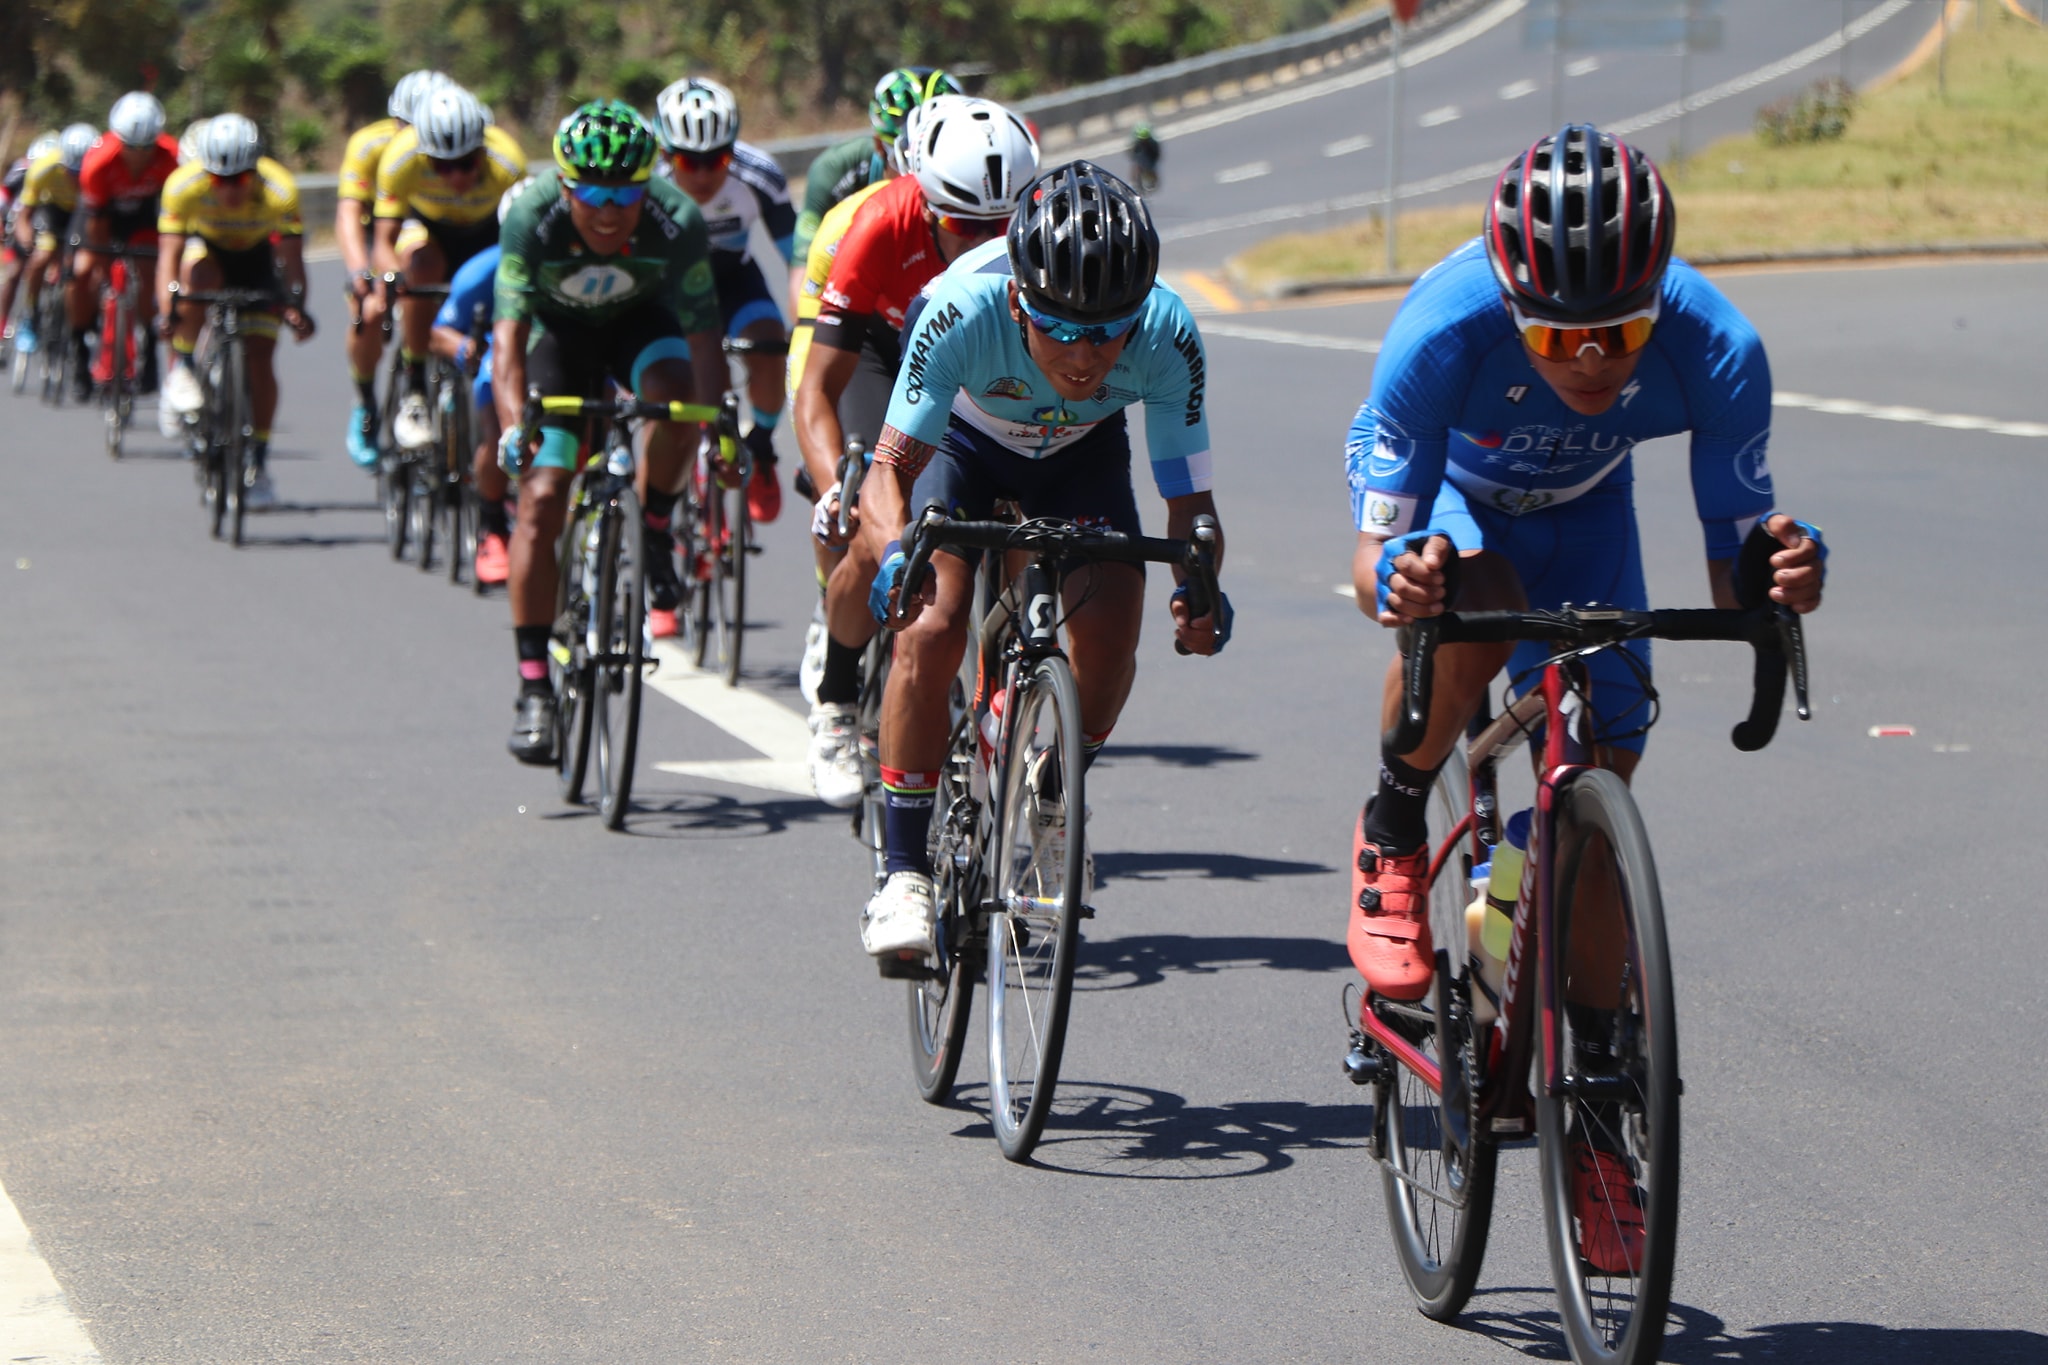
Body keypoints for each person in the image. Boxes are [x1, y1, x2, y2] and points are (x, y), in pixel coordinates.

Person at [1344, 124, 1826, 1273]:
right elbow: (1371, 574)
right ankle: (1393, 827)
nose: (1593, 361)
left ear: (1655, 300)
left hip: (1587, 519)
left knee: (1599, 793)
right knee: (1481, 597)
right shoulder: (1438, 331)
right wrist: (1405, 577)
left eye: (1619, 333)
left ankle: (1599, 1100)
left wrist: (1781, 577)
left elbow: (1735, 562)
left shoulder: (1717, 346)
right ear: (1512, 308)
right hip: (1454, 509)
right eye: (1558, 335)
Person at [853, 161, 1232, 959]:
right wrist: (894, 554)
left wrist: (1200, 586)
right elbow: (888, 470)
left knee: (1110, 632)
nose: (1087, 356)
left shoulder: (1166, 335)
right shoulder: (960, 310)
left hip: (1079, 454)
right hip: (964, 442)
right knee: (932, 623)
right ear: (1019, 299)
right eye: (1060, 328)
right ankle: (902, 872)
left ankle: (1055, 792)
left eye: (1108, 328)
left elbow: (1190, 507)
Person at [793, 95, 1039, 810]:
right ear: (926, 204)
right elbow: (816, 385)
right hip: (883, 353)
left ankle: (1002, 696)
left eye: (1001, 226)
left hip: (978, 361)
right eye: (964, 226)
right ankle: (838, 699)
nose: (984, 242)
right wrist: (837, 488)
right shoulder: (874, 226)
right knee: (877, 529)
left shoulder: (1035, 230)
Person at [491, 101, 727, 763]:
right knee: (542, 496)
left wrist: (719, 425)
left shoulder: (675, 219)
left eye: (626, 192)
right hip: (555, 341)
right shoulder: (530, 217)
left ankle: (652, 527)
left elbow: (704, 335)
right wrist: (515, 425)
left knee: (677, 404)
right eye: (591, 192)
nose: (608, 208)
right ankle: (534, 684)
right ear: (564, 186)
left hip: (637, 328)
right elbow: (506, 339)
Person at [653, 75, 796, 542]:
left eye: (715, 159)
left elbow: (798, 259)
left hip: (734, 280)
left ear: (732, 150)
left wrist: (811, 322)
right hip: (669, 292)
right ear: (664, 154)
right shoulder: (647, 185)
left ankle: (762, 450)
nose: (700, 173)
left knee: (770, 342)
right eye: (685, 160)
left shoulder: (761, 177)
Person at [156, 114, 316, 507]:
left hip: (257, 261)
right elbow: (168, 258)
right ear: (205, 173)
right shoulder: (183, 187)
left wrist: (296, 305)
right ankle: (187, 369)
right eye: (219, 181)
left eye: (239, 180)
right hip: (209, 253)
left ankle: (257, 463)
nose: (229, 191)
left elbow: (292, 261)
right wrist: (167, 311)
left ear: (254, 172)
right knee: (194, 276)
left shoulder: (279, 188)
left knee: (261, 357)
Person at [372, 84, 525, 453]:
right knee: (421, 265)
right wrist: (393, 278)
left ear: (483, 151)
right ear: (424, 155)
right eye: (441, 166)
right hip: (430, 230)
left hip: (488, 233)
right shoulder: (399, 160)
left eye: (467, 163)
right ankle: (414, 389)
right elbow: (383, 241)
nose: (456, 177)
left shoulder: (508, 164)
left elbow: (523, 245)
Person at [336, 68, 450, 465]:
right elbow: (350, 212)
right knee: (369, 312)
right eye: (411, 128)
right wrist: (359, 273)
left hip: (427, 233)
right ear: (396, 122)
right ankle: (366, 401)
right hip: (381, 233)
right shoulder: (370, 146)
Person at [789, 65, 962, 314]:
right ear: (880, 146)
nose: (921, 173)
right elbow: (804, 274)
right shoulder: (834, 169)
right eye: (907, 155)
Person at [426, 177, 529, 587]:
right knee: (496, 430)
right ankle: (492, 525)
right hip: (497, 357)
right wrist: (462, 347)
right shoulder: (480, 273)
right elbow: (438, 332)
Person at [70, 93, 181, 407]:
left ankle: (147, 346)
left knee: (148, 272)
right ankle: (79, 346)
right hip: (102, 215)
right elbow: (95, 222)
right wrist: (101, 265)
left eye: (147, 147)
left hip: (143, 216)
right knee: (82, 273)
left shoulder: (171, 156)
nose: (139, 154)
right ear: (118, 139)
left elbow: (177, 209)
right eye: (131, 146)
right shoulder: (97, 163)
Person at [14, 123, 98, 395]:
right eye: (70, 171)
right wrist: (27, 239)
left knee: (87, 269)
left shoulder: (98, 172)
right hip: (54, 215)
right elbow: (24, 216)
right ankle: (31, 313)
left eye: (80, 172)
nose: (74, 177)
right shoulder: (44, 168)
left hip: (85, 214)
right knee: (41, 257)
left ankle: (85, 321)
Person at [0, 131, 59, 352]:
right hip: (21, 225)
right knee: (15, 272)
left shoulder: (62, 178)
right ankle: (3, 323)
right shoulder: (21, 171)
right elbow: (3, 200)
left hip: (49, 227)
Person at [1129, 122, 1161, 191]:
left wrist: (1153, 162)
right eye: (1142, 140)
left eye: (1145, 139)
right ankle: (1133, 183)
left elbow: (1157, 154)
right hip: (1140, 158)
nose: (1144, 141)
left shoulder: (1154, 143)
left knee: (1151, 167)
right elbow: (1131, 153)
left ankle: (1153, 181)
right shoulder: (1135, 142)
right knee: (1136, 167)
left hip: (1150, 157)